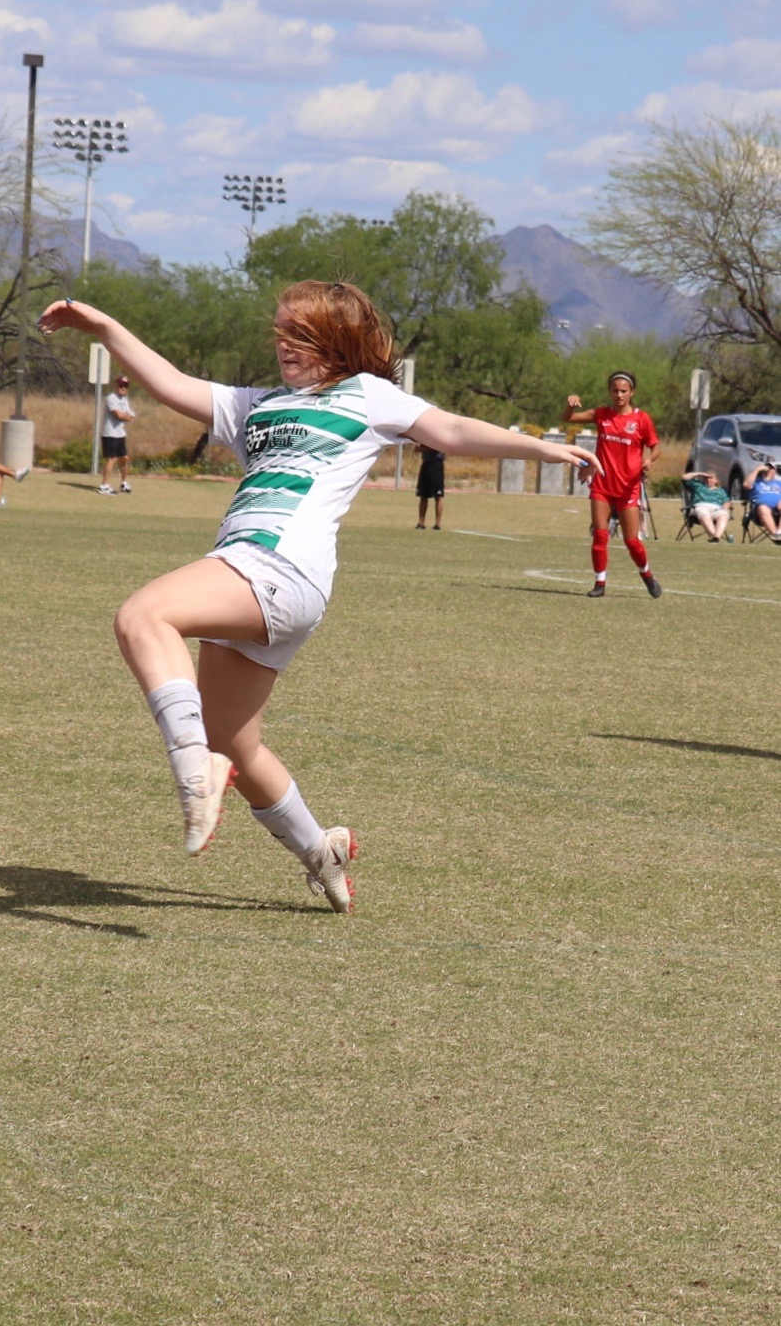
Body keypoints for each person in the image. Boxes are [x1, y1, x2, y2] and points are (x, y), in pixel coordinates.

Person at [39, 282, 598, 912]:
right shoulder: (258, 405)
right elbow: (168, 381)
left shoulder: (367, 395)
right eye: (279, 331)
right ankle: (320, 852)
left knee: (143, 616)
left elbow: (449, 428)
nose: (282, 343)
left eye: (298, 334)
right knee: (235, 744)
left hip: (275, 564)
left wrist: (539, 446)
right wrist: (103, 325)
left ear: (336, 342)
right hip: (261, 579)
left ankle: (190, 763)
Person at [564, 374, 661, 598]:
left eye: (623, 391)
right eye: (615, 390)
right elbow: (568, 418)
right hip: (602, 485)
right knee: (600, 535)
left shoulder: (641, 419)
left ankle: (647, 575)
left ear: (632, 392)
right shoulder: (602, 414)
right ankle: (600, 584)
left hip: (628, 488)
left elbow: (655, 447)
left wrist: (649, 460)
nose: (619, 395)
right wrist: (569, 404)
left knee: (631, 541)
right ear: (610, 391)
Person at [98, 374, 134, 494]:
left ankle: (123, 483)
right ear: (116, 385)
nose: (123, 388)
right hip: (110, 434)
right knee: (112, 459)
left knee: (124, 458)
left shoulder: (124, 400)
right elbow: (118, 415)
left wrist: (126, 416)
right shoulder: (111, 398)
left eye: (126, 386)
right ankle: (104, 486)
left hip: (120, 434)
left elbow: (130, 415)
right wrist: (125, 416)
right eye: (121, 385)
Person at [683, 469, 730, 542]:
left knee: (724, 515)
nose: (708, 480)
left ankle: (716, 537)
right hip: (700, 506)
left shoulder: (721, 491)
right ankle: (715, 536)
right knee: (704, 513)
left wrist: (725, 508)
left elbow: (727, 502)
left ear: (716, 480)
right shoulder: (698, 485)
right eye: (706, 478)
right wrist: (700, 473)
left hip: (716, 509)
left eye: (711, 478)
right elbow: (684, 477)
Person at [414, 444, 446, 529]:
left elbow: (438, 446)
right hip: (426, 463)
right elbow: (416, 447)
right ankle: (421, 523)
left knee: (438, 495)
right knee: (423, 495)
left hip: (437, 463)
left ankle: (437, 524)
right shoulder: (425, 436)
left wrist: (423, 448)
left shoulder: (440, 434)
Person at [749, 464, 781, 541]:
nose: (767, 471)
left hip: (778, 511)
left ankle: (779, 532)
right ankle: (776, 536)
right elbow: (746, 485)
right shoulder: (756, 482)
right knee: (763, 507)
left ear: (775, 471)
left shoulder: (779, 483)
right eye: (766, 469)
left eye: (770, 469)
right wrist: (757, 470)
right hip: (760, 513)